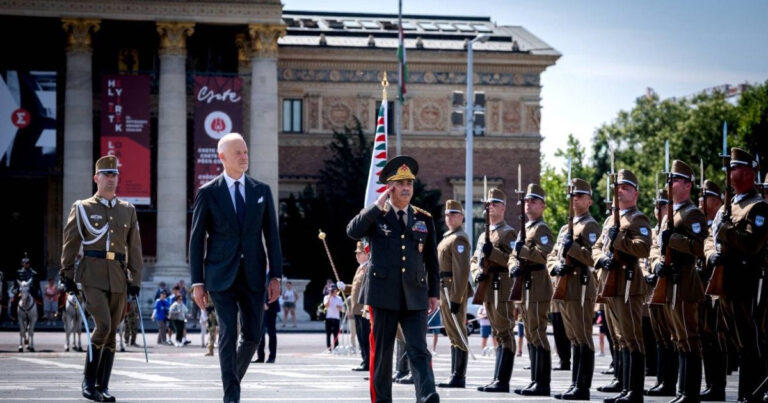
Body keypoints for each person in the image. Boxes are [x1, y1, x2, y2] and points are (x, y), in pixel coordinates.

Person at [189, 132, 282, 403]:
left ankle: (231, 383)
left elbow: (272, 237)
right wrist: (197, 282)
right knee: (229, 333)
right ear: (222, 158)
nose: (244, 156)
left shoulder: (261, 191)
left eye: (245, 151)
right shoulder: (208, 193)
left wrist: (275, 275)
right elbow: (196, 241)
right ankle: (232, 396)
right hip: (220, 276)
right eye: (237, 152)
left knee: (253, 335)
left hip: (254, 276)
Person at [346, 155, 439, 403]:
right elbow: (352, 231)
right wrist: (377, 206)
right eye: (400, 183)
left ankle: (427, 396)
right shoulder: (377, 215)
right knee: (383, 352)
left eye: (409, 182)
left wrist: (434, 293)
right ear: (390, 187)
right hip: (383, 293)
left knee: (419, 349)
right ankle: (381, 400)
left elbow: (432, 260)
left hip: (415, 293)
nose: (406, 187)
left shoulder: (424, 218)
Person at [59, 155, 143, 402]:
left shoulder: (127, 210)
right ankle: (88, 381)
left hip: (118, 276)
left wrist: (136, 280)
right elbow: (71, 242)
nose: (110, 178)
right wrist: (66, 273)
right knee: (103, 325)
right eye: (106, 174)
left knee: (112, 332)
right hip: (91, 275)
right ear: (96, 178)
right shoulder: (83, 207)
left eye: (114, 174)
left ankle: (102, 386)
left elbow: (134, 249)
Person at [704, 148, 768, 402]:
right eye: (729, 167)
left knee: (749, 338)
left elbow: (752, 244)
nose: (730, 172)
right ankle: (737, 392)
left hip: (746, 280)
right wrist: (712, 254)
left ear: (750, 172)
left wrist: (727, 230)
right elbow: (710, 238)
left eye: (736, 167)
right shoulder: (728, 206)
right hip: (724, 278)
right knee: (730, 338)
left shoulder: (759, 207)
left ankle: (751, 394)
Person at [648, 159, 708, 402]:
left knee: (689, 338)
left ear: (687, 185)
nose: (669, 184)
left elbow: (700, 247)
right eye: (669, 180)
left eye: (674, 180)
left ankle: (690, 391)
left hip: (685, 282)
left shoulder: (693, 213)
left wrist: (674, 240)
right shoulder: (670, 214)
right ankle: (683, 389)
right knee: (677, 338)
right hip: (670, 282)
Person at [592, 168, 652, 403]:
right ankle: (625, 389)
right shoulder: (610, 219)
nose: (619, 190)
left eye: (625, 187)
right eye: (618, 187)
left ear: (635, 193)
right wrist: (601, 259)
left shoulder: (639, 218)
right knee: (620, 337)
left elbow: (643, 248)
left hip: (628, 281)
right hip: (610, 281)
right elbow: (597, 246)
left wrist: (619, 239)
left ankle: (634, 391)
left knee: (632, 336)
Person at [548, 178, 602, 400]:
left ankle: (583, 386)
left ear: (589, 201)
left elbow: (593, 257)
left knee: (583, 337)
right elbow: (552, 255)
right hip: (565, 285)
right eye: (572, 195)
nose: (575, 199)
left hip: (580, 285)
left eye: (580, 195)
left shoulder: (590, 225)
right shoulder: (564, 227)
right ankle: (574, 383)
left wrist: (575, 249)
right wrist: (555, 266)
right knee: (573, 337)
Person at [508, 183, 555, 397]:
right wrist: (513, 265)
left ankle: (543, 383)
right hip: (525, 284)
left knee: (537, 332)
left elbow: (543, 254)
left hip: (537, 284)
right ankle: (535, 380)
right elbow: (512, 255)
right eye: (527, 201)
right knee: (529, 333)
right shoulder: (525, 228)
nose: (529, 204)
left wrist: (523, 251)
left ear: (543, 206)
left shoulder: (542, 229)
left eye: (533, 201)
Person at [471, 187, 519, 393]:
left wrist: (495, 254)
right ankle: (497, 377)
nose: (491, 207)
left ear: (504, 208)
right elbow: (475, 259)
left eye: (495, 204)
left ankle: (503, 379)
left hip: (502, 284)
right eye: (489, 204)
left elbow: (512, 259)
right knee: (496, 331)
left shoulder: (508, 232)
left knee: (505, 331)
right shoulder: (484, 235)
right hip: (487, 285)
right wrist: (476, 274)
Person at [644, 188, 678, 397]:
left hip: (670, 285)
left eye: (663, 205)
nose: (659, 209)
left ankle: (670, 381)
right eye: (657, 205)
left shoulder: (671, 227)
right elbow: (650, 254)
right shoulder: (656, 230)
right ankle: (662, 379)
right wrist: (650, 268)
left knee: (671, 335)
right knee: (660, 337)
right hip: (653, 287)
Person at [435, 199, 472, 388]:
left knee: (458, 331)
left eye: (454, 214)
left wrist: (457, 297)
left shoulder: (459, 238)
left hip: (452, 289)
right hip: (444, 288)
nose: (450, 217)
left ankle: (459, 375)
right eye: (448, 214)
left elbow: (462, 271)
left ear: (462, 217)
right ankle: (454, 373)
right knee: (451, 331)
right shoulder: (447, 237)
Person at [697, 179, 727, 400]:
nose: (700, 200)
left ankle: (718, 386)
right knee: (705, 335)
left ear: (717, 201)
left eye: (706, 196)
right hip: (702, 283)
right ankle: (711, 384)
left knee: (717, 335)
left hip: (718, 283)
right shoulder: (703, 225)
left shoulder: (719, 222)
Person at [350, 241, 371, 372]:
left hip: (364, 309)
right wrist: (344, 287)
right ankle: (364, 360)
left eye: (360, 253)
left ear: (367, 254)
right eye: (357, 253)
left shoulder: (368, 268)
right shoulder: (360, 268)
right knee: (360, 336)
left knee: (365, 336)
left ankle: (368, 361)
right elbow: (356, 288)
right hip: (357, 309)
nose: (357, 255)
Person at [254, 295, 279, 363]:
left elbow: (276, 290)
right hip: (261, 306)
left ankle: (272, 357)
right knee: (260, 332)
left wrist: (266, 303)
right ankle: (260, 357)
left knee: (271, 332)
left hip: (270, 306)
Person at [323, 285, 344, 351]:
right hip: (328, 317)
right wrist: (330, 296)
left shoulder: (339, 298)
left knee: (336, 334)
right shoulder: (326, 297)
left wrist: (339, 307)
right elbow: (326, 305)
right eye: (331, 290)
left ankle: (336, 347)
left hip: (336, 318)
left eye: (334, 290)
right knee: (328, 334)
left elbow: (342, 309)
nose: (333, 292)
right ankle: (329, 348)